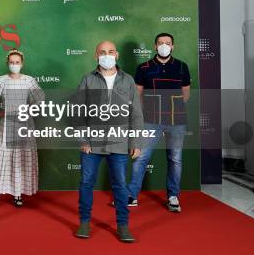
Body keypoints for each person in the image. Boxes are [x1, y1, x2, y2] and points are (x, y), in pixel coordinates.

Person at [74, 40, 143, 243]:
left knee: (120, 185)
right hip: (92, 144)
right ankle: (84, 222)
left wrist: (136, 142)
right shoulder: (87, 79)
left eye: (110, 51)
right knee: (86, 183)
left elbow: (136, 114)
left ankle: (123, 226)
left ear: (117, 54)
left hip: (120, 143)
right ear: (96, 56)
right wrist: (83, 139)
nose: (107, 55)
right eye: (102, 52)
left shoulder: (128, 80)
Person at [125, 33, 190, 212]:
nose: (164, 46)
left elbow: (186, 94)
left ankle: (173, 196)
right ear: (155, 46)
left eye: (167, 43)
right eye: (160, 43)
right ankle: (132, 195)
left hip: (176, 120)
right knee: (141, 157)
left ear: (173, 46)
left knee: (175, 158)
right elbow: (138, 95)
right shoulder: (143, 67)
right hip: (150, 120)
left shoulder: (182, 67)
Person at [0, 49, 44, 209]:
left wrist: (29, 111)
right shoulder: (1, 81)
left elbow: (40, 101)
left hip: (25, 125)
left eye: (17, 62)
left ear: (22, 64)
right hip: (7, 125)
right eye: (11, 62)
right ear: (7, 64)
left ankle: (17, 194)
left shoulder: (30, 81)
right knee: (3, 157)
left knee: (21, 159)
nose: (14, 65)